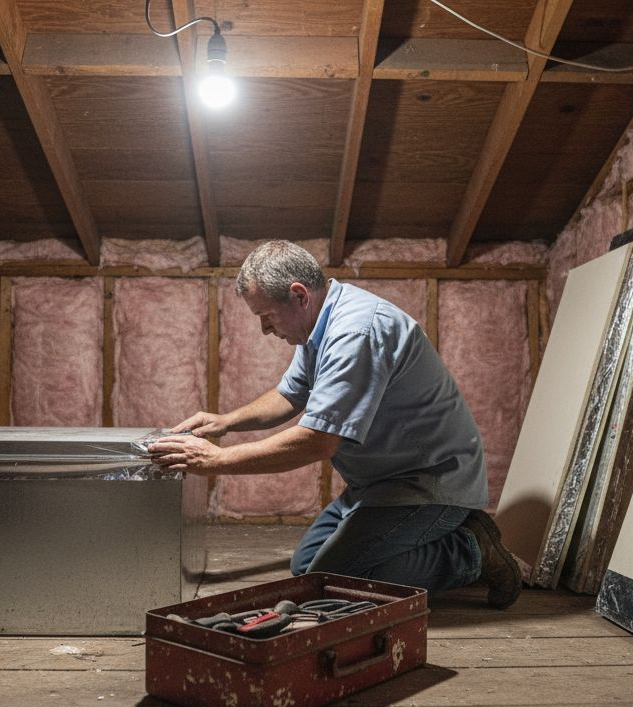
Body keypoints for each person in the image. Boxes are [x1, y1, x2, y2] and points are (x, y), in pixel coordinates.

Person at [148, 240, 523, 607]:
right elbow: (289, 395)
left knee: (328, 584)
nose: (265, 329)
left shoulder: (356, 332)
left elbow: (317, 442)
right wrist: (226, 422)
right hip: (379, 484)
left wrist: (213, 461)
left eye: (267, 316)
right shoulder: (318, 327)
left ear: (298, 295)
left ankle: (470, 551)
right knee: (307, 568)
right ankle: (435, 544)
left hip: (430, 481)